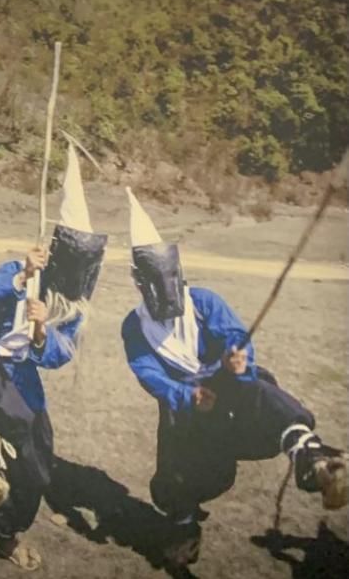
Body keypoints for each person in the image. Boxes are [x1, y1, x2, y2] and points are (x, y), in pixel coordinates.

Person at [120, 187, 348, 569]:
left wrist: (238, 361)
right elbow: (148, 373)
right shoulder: (134, 326)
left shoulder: (204, 301)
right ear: (137, 280)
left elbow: (234, 336)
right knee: (174, 483)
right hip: (186, 409)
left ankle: (313, 459)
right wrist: (186, 396)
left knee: (261, 389)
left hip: (230, 391)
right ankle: (185, 527)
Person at [0, 145, 108, 571]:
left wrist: (41, 331)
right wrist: (20, 278)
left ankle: (4, 526)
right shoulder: (20, 270)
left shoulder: (74, 309)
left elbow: (59, 355)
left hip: (20, 376)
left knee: (36, 463)